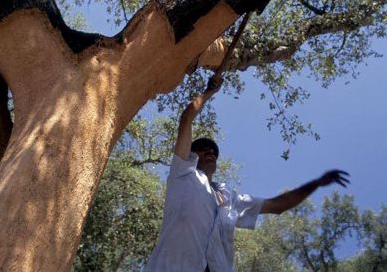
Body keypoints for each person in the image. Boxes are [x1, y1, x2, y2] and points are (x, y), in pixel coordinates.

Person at [144, 81, 350, 272]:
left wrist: (317, 183)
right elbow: (186, 118)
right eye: (203, 148)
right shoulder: (182, 173)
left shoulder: (231, 200)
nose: (211, 152)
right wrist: (210, 91)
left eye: (214, 151)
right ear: (191, 153)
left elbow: (277, 206)